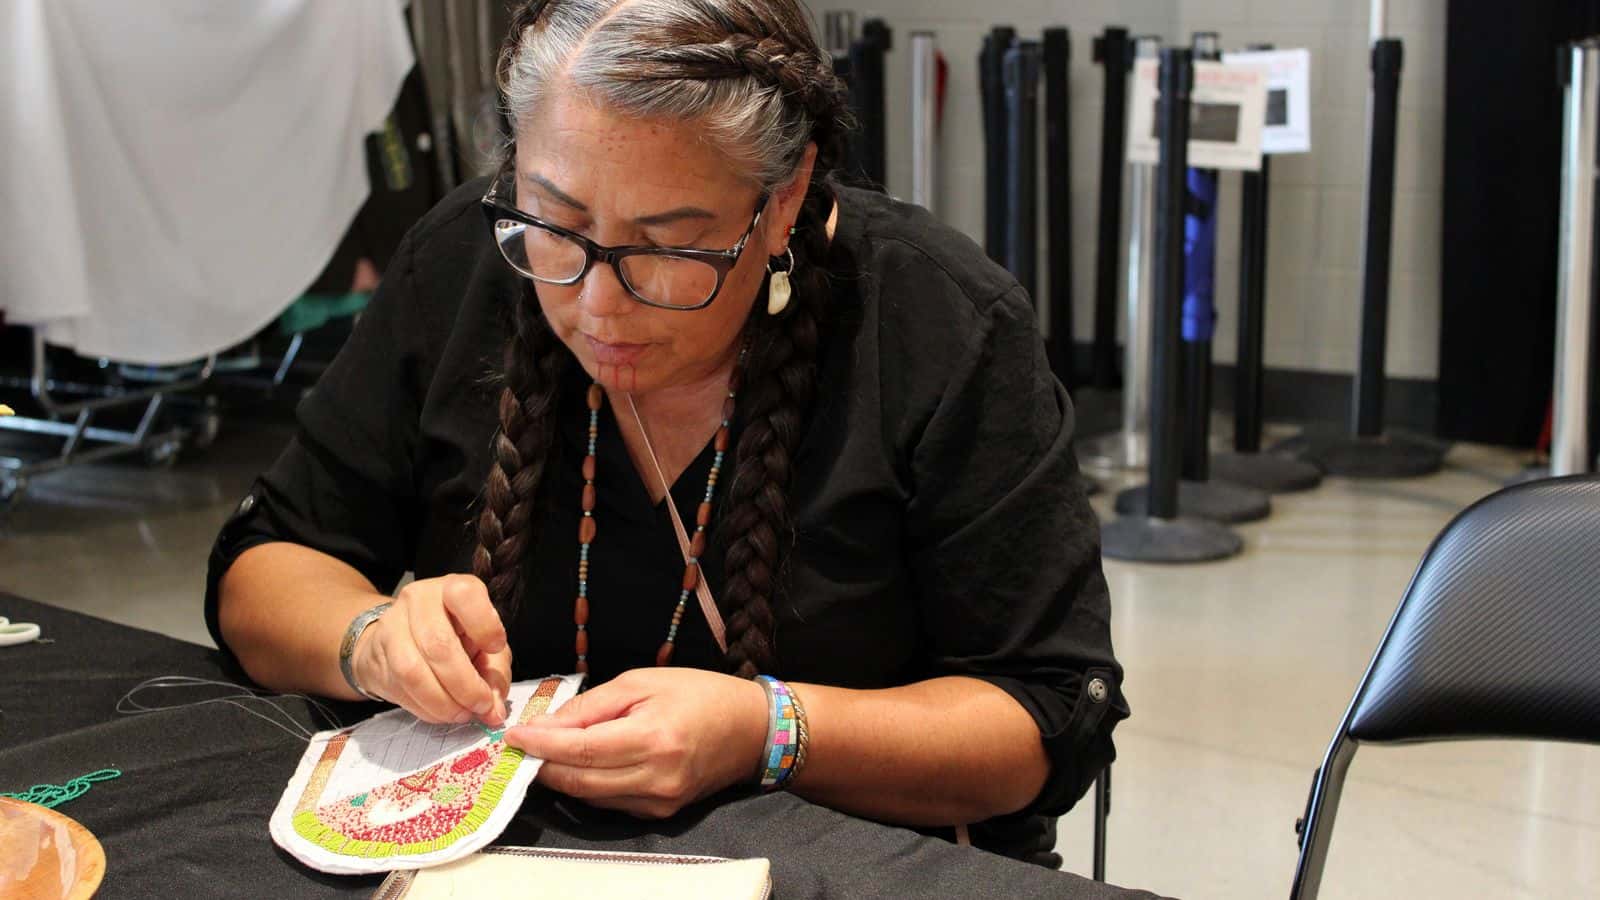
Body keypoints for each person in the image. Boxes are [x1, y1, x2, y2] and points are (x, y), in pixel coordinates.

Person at [207, 0, 1126, 867]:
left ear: (784, 195)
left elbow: (1039, 719)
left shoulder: (940, 326)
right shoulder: (461, 264)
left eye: (669, 246)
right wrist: (369, 637)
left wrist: (767, 732)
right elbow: (266, 562)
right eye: (556, 223)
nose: (598, 305)